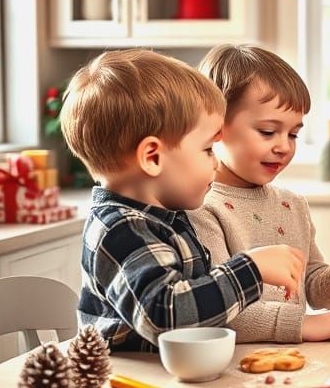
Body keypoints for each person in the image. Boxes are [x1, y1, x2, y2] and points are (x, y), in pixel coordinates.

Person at [62, 49, 304, 352]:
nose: (216, 164)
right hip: (125, 384)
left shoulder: (167, 218)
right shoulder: (120, 229)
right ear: (152, 157)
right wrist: (250, 269)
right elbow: (166, 316)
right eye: (206, 150)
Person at [190, 44, 330, 343]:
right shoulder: (201, 208)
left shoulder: (291, 204)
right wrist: (303, 324)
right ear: (217, 127)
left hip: (294, 358)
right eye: (268, 132)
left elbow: (310, 286)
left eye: (294, 133)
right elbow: (216, 311)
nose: (284, 146)